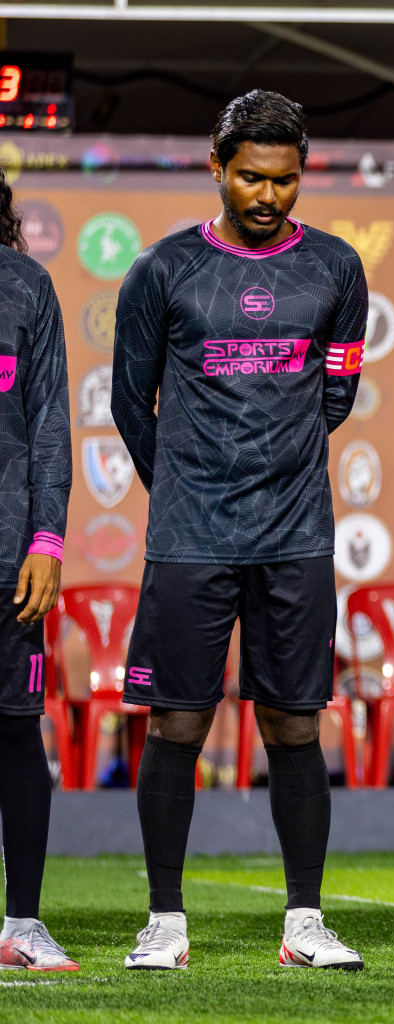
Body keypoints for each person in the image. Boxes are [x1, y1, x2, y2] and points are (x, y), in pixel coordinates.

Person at [112, 90, 368, 971]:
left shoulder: (336, 269)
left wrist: (274, 473)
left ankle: (304, 921)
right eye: (252, 178)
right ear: (217, 167)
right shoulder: (161, 270)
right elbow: (127, 400)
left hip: (295, 536)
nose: (269, 196)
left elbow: (336, 393)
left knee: (294, 728)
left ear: (304, 173)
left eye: (286, 180)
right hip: (190, 538)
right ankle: (164, 921)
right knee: (176, 727)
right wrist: (186, 487)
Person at [0, 170, 75, 973]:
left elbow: (50, 424)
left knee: (16, 731)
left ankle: (22, 924)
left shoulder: (25, 285)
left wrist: (47, 542)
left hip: (8, 557)